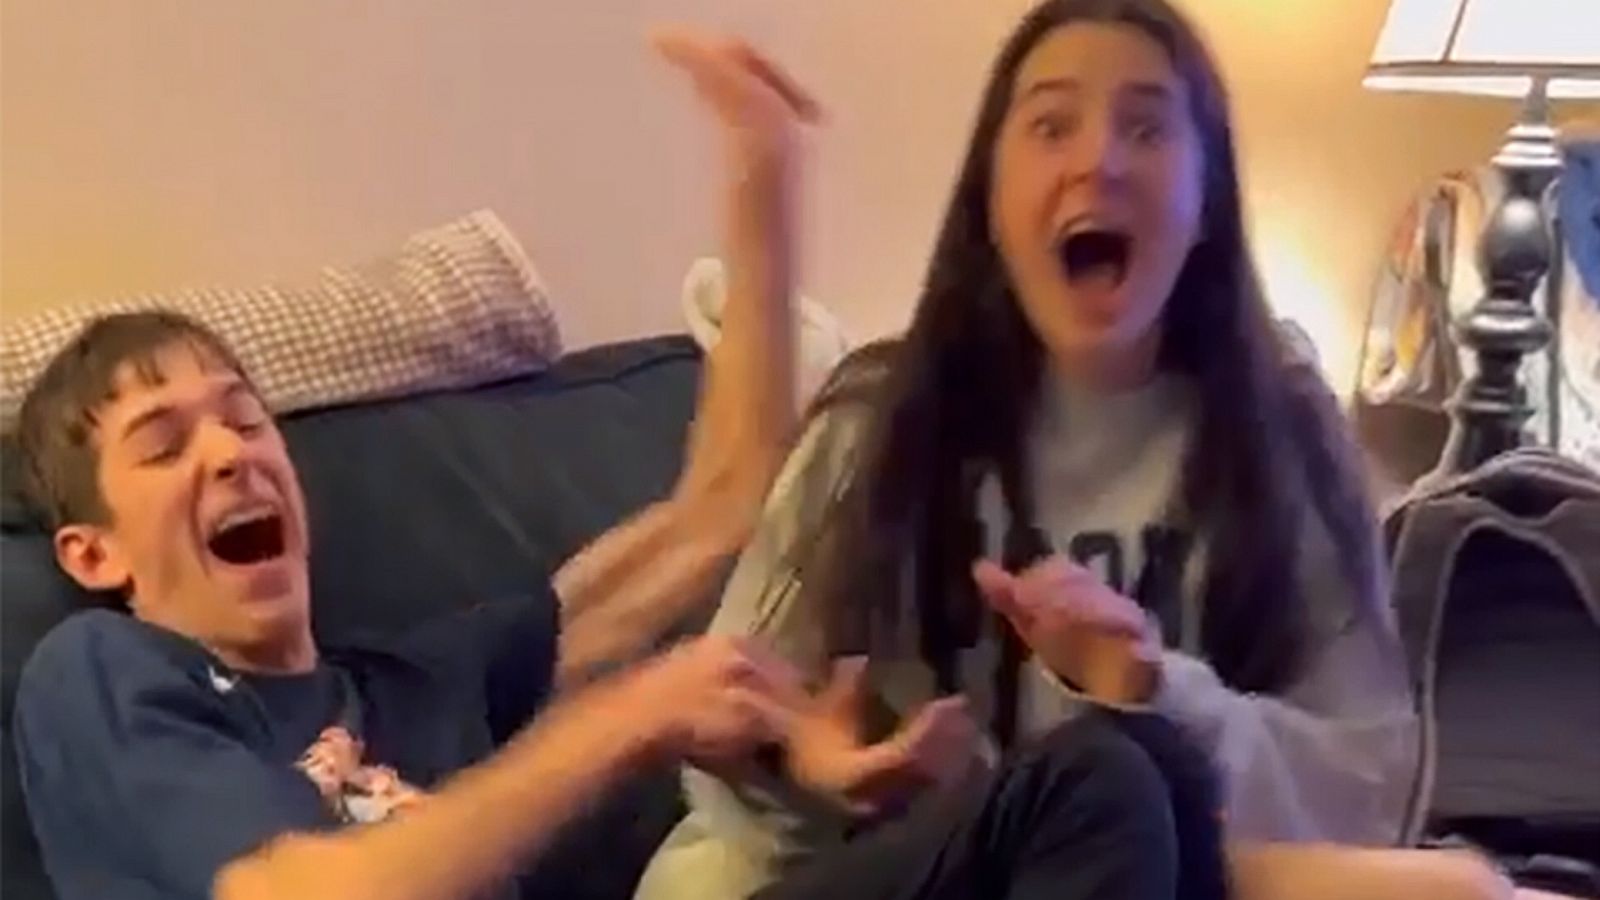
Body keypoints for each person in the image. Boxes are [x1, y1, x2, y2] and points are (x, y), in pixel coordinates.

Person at [10, 29, 1239, 900]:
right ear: (91, 550)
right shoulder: (107, 675)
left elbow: (719, 509)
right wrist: (632, 718)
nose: (229, 451)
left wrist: (765, 183)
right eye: (166, 444)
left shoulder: (412, 680)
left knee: (1127, 775)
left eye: (244, 418)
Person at [629, 1, 1527, 899]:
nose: (1098, 160)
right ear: (990, 198)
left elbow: (1362, 792)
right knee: (1109, 782)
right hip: (862, 877)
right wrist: (812, 768)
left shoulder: (1284, 436)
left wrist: (1150, 689)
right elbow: (719, 738)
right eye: (1051, 125)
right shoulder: (877, 419)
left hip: (1163, 871)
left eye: (1146, 127)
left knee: (1461, 891)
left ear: (1207, 200)